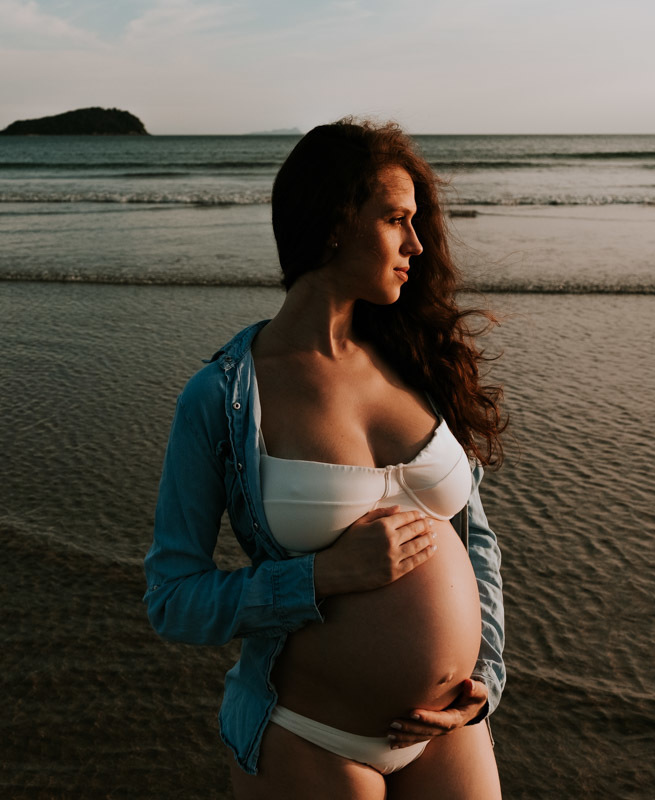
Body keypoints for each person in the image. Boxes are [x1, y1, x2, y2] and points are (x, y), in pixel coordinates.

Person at [143, 118, 506, 799]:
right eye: (396, 218)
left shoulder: (416, 366)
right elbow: (172, 600)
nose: (417, 244)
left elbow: (475, 539)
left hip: (446, 734)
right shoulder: (223, 397)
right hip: (312, 738)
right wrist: (319, 577)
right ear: (337, 223)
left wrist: (488, 676)